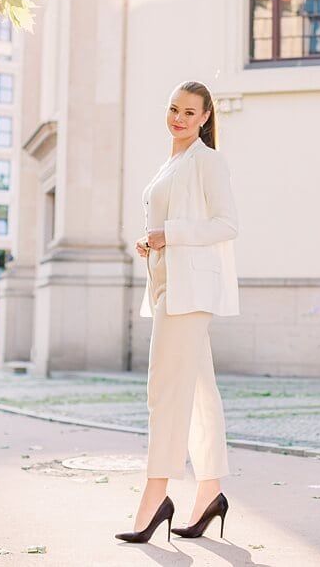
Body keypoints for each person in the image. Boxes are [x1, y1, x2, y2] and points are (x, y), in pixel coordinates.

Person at [115, 80, 239, 544]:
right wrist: (152, 241)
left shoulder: (208, 161)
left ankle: (156, 495)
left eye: (189, 112)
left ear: (205, 118)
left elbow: (227, 224)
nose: (179, 119)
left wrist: (170, 232)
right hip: (167, 284)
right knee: (199, 391)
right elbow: (167, 225)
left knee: (163, 390)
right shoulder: (171, 164)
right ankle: (210, 491)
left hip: (189, 293)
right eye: (173, 109)